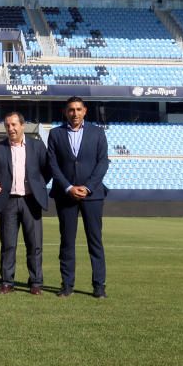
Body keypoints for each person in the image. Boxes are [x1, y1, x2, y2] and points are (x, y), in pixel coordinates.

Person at [47, 96, 110, 299]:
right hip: (65, 196)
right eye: (71, 110)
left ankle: (99, 286)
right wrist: (68, 187)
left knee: (95, 241)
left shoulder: (98, 133)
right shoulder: (55, 134)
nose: (75, 113)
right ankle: (67, 285)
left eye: (78, 109)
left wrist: (88, 188)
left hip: (92, 196)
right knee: (67, 241)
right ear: (66, 112)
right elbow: (53, 165)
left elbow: (102, 163)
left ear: (85, 111)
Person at [0, 111, 52, 295]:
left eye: (14, 124)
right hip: (8, 202)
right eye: (7, 125)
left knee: (35, 244)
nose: (11, 128)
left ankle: (36, 282)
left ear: (22, 126)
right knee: (8, 244)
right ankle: (7, 282)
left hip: (31, 201)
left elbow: (47, 171)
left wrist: (37, 186)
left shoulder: (38, 146)